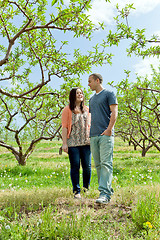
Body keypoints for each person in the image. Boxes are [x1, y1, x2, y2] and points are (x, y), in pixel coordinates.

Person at [88, 73, 118, 204]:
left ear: (97, 80)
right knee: (99, 165)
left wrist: (109, 129)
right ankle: (106, 190)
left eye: (90, 81)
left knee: (106, 163)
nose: (88, 84)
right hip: (93, 135)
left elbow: (114, 112)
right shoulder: (91, 99)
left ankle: (104, 194)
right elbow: (91, 118)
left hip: (105, 134)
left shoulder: (109, 93)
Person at [61, 87, 91, 199]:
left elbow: (89, 125)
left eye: (81, 93)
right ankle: (76, 191)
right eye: (78, 93)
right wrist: (64, 143)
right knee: (75, 166)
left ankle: (86, 189)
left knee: (87, 167)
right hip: (73, 142)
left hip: (86, 142)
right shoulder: (67, 110)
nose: (80, 95)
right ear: (73, 95)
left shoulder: (87, 109)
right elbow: (64, 127)